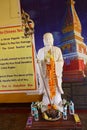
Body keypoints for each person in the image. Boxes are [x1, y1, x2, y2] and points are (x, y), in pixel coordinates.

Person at [37, 32, 64, 111]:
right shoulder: (40, 51)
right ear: (43, 40)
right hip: (45, 75)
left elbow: (61, 61)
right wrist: (40, 62)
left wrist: (53, 63)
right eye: (46, 39)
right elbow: (38, 63)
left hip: (54, 74)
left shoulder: (57, 50)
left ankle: (57, 104)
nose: (48, 40)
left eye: (50, 38)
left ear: (52, 40)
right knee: (46, 92)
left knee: (56, 93)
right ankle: (46, 105)